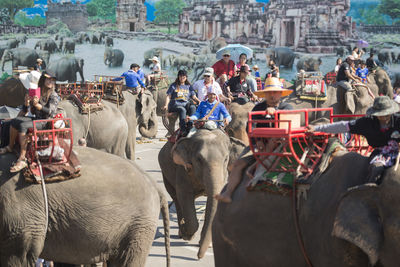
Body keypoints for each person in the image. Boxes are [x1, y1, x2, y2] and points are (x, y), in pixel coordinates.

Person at [215, 77, 293, 203]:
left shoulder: (287, 107)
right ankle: (228, 193)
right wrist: (257, 141)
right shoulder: (258, 108)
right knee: (238, 164)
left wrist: (276, 112)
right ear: (265, 94)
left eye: (275, 92)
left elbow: (291, 122)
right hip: (259, 146)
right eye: (269, 92)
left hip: (283, 146)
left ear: (280, 93)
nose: (272, 95)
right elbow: (250, 127)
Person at [307, 96, 400, 184]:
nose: (384, 117)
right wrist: (317, 128)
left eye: (387, 114)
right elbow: (343, 126)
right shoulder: (367, 123)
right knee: (376, 168)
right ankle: (370, 193)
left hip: (397, 151)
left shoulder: (398, 120)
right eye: (381, 114)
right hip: (381, 153)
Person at [0, 71, 59, 172]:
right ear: (43, 80)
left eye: (52, 80)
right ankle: (10, 146)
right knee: (15, 121)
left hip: (45, 122)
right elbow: (29, 110)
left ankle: (22, 157)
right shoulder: (39, 92)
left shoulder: (53, 95)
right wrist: (27, 103)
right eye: (48, 79)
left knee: (23, 125)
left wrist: (37, 105)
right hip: (37, 119)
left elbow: (49, 111)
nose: (50, 81)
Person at [163, 69, 199, 135]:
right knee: (182, 110)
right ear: (178, 77)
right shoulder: (173, 86)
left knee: (193, 107)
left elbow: (194, 96)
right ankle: (183, 129)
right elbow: (168, 96)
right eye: (180, 76)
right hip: (175, 105)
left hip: (185, 104)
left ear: (186, 77)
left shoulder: (189, 86)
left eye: (184, 77)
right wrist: (166, 105)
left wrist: (199, 101)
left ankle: (190, 126)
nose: (182, 78)